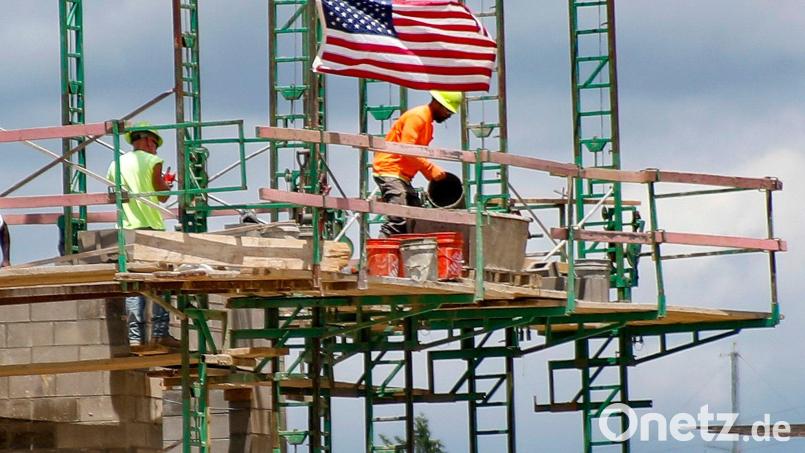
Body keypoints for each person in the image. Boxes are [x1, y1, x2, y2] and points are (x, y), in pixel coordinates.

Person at [107, 122, 179, 348]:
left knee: (134, 284)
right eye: (155, 144)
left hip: (127, 231)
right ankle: (160, 333)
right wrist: (167, 184)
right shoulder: (153, 161)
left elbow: (115, 197)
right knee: (161, 283)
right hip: (152, 230)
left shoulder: (115, 164)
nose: (156, 150)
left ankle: (135, 337)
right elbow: (162, 196)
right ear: (148, 141)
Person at [372, 90, 462, 237]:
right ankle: (379, 257)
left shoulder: (427, 123)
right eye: (447, 110)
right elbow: (406, 149)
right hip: (390, 170)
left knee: (417, 220)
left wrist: (430, 172)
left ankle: (407, 256)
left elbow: (414, 155)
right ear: (437, 103)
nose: (449, 115)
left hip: (402, 175)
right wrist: (430, 169)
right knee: (398, 219)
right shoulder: (418, 116)